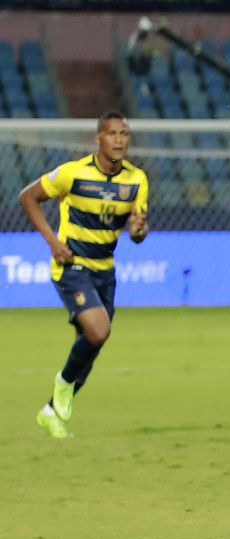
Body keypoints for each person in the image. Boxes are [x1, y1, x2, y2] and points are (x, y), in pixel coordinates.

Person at [20, 111, 149, 438]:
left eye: (124, 133)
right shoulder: (72, 174)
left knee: (88, 349)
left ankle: (51, 412)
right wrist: (53, 242)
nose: (119, 140)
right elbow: (28, 197)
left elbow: (136, 232)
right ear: (98, 139)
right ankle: (63, 385)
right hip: (72, 266)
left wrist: (138, 229)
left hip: (105, 271)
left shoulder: (136, 180)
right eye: (112, 134)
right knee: (98, 331)